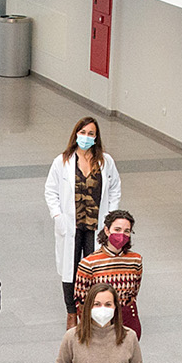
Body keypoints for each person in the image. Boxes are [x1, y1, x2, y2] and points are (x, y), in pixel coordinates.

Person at [43, 115, 122, 328]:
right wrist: (58, 216)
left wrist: (111, 216)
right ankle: (71, 312)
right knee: (70, 268)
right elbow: (51, 191)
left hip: (96, 225)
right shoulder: (62, 162)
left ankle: (91, 310)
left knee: (94, 268)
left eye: (91, 134)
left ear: (96, 138)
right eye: (83, 132)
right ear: (76, 134)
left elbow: (115, 188)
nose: (86, 137)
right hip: (71, 225)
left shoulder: (105, 162)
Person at [73, 210, 144, 338]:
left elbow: (134, 292)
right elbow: (80, 301)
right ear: (107, 230)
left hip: (127, 319)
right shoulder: (89, 263)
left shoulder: (135, 260)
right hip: (100, 320)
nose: (121, 234)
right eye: (117, 229)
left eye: (126, 231)